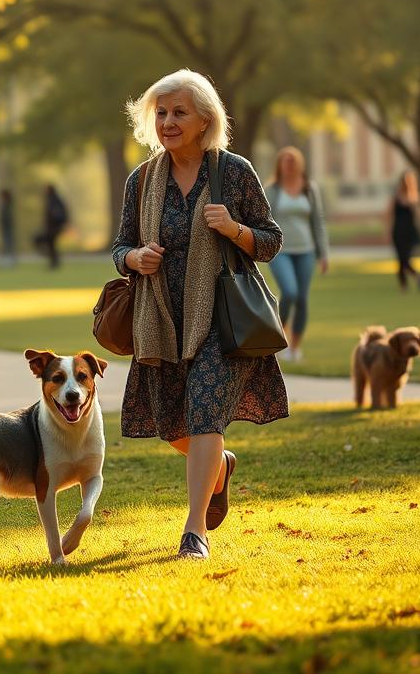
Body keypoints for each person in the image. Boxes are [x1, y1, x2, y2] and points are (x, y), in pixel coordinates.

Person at [112, 69, 288, 561]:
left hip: (222, 319)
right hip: (161, 321)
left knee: (206, 413)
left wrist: (233, 228)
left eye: (178, 113)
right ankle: (220, 467)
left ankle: (194, 532)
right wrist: (133, 258)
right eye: (161, 113)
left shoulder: (233, 172)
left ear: (205, 119)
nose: (167, 122)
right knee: (173, 424)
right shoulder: (142, 178)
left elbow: (271, 241)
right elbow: (119, 246)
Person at [265, 147, 329, 363]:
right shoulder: (272, 190)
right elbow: (264, 220)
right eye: (284, 160)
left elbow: (317, 222)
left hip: (306, 251)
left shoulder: (309, 188)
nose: (288, 164)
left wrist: (324, 254)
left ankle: (295, 348)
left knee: (302, 299)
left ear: (300, 163)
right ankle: (279, 339)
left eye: (292, 160)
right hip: (280, 250)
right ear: (279, 165)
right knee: (289, 292)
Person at [389, 171, 420, 291]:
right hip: (398, 231)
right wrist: (387, 231)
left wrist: (414, 206)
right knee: (400, 258)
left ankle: (414, 279)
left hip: (409, 231)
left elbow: (419, 215)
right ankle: (407, 283)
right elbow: (389, 214)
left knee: (405, 258)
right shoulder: (396, 197)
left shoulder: (415, 197)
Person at [33, 184, 69, 268]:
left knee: (49, 243)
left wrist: (56, 221)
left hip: (54, 227)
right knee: (51, 244)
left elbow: (58, 214)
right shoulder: (52, 199)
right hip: (51, 227)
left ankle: (52, 261)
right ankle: (54, 262)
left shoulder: (55, 200)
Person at [0, 188, 16, 267]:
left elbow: (7, 218)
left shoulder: (7, 205)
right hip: (6, 228)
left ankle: (9, 262)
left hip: (7, 228)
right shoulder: (6, 204)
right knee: (7, 245)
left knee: (8, 245)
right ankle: (7, 262)